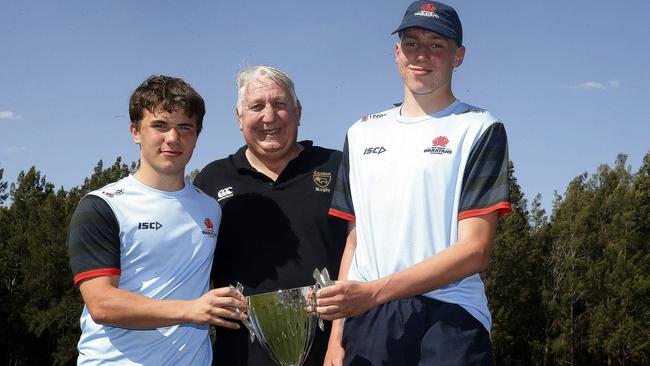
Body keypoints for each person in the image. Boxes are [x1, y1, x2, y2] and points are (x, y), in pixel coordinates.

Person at [315, 1, 512, 365]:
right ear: (396, 52)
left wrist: (374, 293)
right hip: (370, 319)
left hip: (450, 317)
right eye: (411, 43)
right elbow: (356, 240)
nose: (422, 54)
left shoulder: (480, 128)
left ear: (459, 56)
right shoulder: (360, 132)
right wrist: (336, 337)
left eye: (437, 44)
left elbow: (475, 251)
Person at [67, 75, 248, 365]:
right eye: (160, 125)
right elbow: (102, 303)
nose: (173, 138)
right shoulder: (102, 206)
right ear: (135, 131)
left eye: (185, 127)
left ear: (197, 136)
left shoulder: (210, 208)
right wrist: (192, 310)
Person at [193, 65, 347, 366]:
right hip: (240, 355)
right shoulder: (211, 180)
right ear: (239, 118)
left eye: (279, 104)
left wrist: (340, 339)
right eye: (256, 106)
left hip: (334, 353)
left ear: (298, 111)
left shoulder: (337, 166)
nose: (269, 117)